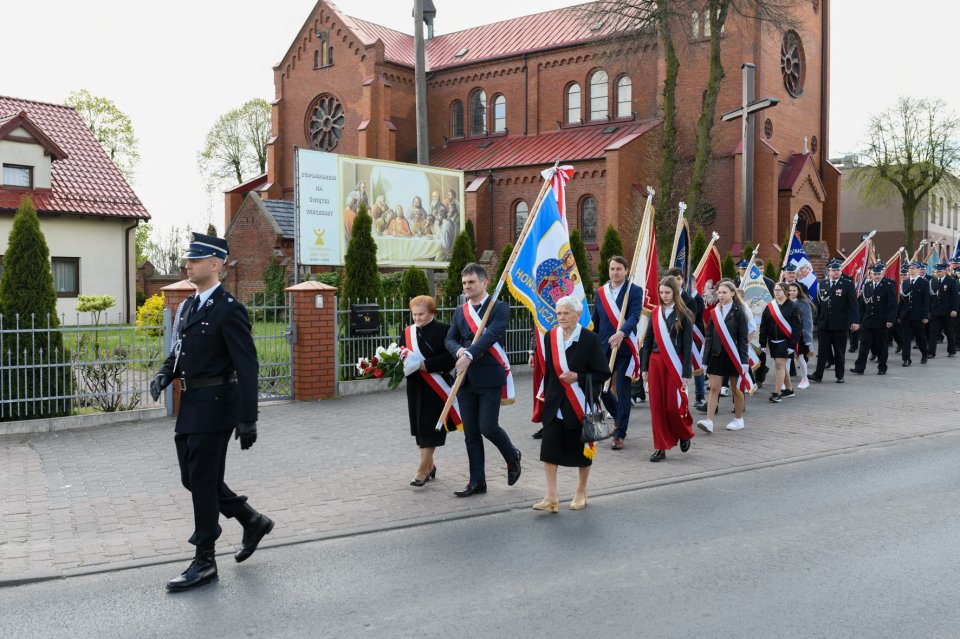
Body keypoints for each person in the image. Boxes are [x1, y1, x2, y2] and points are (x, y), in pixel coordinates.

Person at [149, 233, 270, 592]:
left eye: (195, 260)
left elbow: (247, 367)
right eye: (188, 260)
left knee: (201, 482)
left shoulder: (229, 308)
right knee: (193, 478)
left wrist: (248, 418)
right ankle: (251, 520)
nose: (187, 265)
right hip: (191, 407)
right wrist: (163, 373)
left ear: (215, 264)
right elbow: (179, 349)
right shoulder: (188, 306)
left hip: (217, 407)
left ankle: (205, 561)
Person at [445, 263, 522, 497]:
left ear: (484, 282)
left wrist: (470, 354)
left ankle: (512, 456)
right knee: (470, 433)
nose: (467, 287)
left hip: (489, 376)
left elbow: (492, 334)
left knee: (487, 427)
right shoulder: (460, 311)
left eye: (471, 282)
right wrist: (459, 352)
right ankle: (477, 481)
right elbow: (450, 338)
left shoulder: (499, 307)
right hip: (465, 380)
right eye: (464, 283)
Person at [534, 296, 611, 512]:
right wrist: (544, 398)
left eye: (566, 313)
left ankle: (581, 491)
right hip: (554, 402)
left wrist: (578, 376)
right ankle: (551, 496)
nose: (561, 317)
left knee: (581, 452)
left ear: (578, 315)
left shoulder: (589, 339)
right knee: (549, 450)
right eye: (558, 313)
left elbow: (603, 373)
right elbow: (549, 371)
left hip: (579, 406)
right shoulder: (551, 336)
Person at [398, 295, 458, 487]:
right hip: (415, 386)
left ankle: (421, 471)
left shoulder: (444, 330)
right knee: (419, 429)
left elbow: (450, 358)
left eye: (421, 314)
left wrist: (426, 365)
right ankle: (430, 465)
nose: (417, 318)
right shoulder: (407, 332)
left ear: (432, 312)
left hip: (436, 386)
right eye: (414, 314)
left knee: (431, 428)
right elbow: (400, 354)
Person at [591, 256, 643, 450]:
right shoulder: (600, 292)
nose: (615, 272)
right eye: (612, 269)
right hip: (604, 347)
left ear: (626, 270)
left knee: (622, 390)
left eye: (619, 269)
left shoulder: (634, 291)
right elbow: (596, 321)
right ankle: (618, 418)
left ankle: (620, 432)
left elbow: (634, 316)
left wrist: (622, 333)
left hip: (625, 346)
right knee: (600, 390)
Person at [641, 277, 695, 462]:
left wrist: (686, 373)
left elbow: (688, 347)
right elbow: (647, 342)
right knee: (656, 407)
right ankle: (660, 447)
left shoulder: (685, 314)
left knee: (673, 406)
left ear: (675, 293)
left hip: (675, 362)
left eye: (667, 292)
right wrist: (644, 367)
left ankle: (684, 432)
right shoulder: (655, 313)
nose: (664, 296)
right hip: (655, 363)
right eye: (661, 292)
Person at [696, 280, 750, 433]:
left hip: (734, 356)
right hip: (716, 355)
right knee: (714, 388)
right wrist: (705, 361)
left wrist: (744, 360)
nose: (721, 295)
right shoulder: (715, 312)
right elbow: (709, 337)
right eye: (719, 292)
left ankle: (738, 419)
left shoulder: (739, 312)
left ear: (733, 293)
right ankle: (709, 421)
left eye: (724, 292)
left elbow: (742, 339)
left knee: (736, 390)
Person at [809, 259, 860, 383]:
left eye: (838, 270)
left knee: (839, 351)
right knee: (822, 351)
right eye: (834, 270)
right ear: (829, 271)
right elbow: (818, 305)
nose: (836, 272)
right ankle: (818, 375)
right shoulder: (822, 284)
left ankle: (840, 375)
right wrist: (815, 322)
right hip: (824, 324)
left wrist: (855, 321)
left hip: (840, 324)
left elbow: (853, 305)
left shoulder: (847, 284)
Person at [668, 267, 706, 411]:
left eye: (678, 278)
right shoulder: (665, 295)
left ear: (683, 280)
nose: (676, 281)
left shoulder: (690, 299)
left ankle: (700, 395)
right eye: (673, 278)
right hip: (670, 340)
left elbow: (691, 318)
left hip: (688, 336)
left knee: (694, 364)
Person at [850, 263, 898, 375]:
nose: (876, 276)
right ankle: (859, 368)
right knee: (863, 346)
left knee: (882, 346)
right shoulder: (867, 285)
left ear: (883, 274)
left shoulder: (888, 285)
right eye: (874, 274)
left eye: (878, 274)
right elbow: (862, 306)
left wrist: (890, 320)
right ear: (870, 274)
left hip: (881, 321)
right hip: (867, 321)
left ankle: (882, 367)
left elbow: (892, 304)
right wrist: (859, 320)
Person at [759, 282, 801, 402]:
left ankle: (777, 393)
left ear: (786, 291)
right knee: (782, 366)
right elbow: (764, 325)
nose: (777, 292)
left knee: (779, 365)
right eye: (775, 290)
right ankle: (789, 390)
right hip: (773, 341)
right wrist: (762, 342)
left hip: (786, 341)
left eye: (779, 290)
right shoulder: (770, 306)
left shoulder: (793, 307)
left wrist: (793, 344)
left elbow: (797, 327)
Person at [898, 261, 930, 366]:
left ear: (918, 269)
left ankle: (924, 354)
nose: (911, 270)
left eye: (913, 268)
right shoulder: (905, 282)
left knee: (921, 337)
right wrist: (899, 314)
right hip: (906, 315)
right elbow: (902, 300)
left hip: (918, 315)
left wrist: (925, 316)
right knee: (906, 339)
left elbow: (926, 301)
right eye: (909, 268)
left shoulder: (924, 282)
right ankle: (906, 359)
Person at [787, 281, 815, 388]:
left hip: (799, 335)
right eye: (790, 290)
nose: (792, 292)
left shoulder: (803, 303)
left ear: (799, 291)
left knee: (800, 357)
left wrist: (808, 338)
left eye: (794, 290)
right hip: (787, 334)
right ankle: (786, 380)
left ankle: (805, 379)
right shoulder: (785, 302)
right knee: (787, 358)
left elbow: (808, 321)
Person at [927, 263, 958, 358]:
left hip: (947, 311)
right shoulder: (933, 281)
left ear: (945, 271)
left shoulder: (951, 281)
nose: (937, 273)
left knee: (949, 331)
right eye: (936, 271)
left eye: (939, 271)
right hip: (935, 311)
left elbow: (955, 297)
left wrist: (954, 309)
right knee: (933, 332)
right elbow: (930, 298)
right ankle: (931, 352)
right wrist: (928, 310)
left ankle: (951, 350)